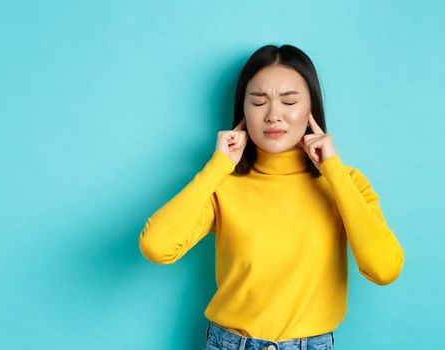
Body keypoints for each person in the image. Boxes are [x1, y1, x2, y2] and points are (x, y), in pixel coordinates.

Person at [139, 44, 404, 350]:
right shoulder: (222, 184)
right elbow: (156, 247)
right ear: (243, 112)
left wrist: (332, 170)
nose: (273, 115)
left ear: (310, 112)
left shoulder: (346, 183)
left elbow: (384, 269)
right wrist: (218, 167)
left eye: (289, 101)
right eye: (258, 102)